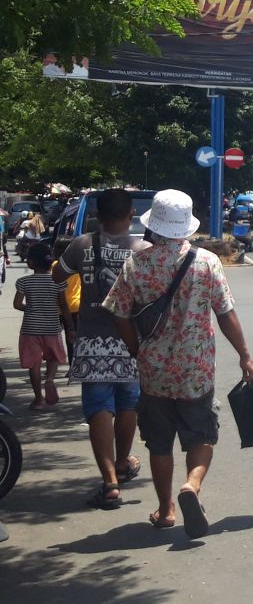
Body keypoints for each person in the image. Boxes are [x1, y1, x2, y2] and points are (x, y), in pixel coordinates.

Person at [104, 189, 253, 538]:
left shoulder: (137, 264)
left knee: (159, 442)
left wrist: (136, 348)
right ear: (186, 226)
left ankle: (166, 509)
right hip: (196, 369)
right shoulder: (206, 262)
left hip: (153, 371)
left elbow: (119, 314)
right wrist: (245, 355)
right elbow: (225, 313)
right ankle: (192, 486)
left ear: (154, 224)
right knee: (202, 434)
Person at [55, 188, 151, 509]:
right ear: (131, 216)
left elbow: (58, 275)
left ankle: (110, 483)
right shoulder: (142, 249)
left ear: (97, 215)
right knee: (128, 405)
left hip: (92, 340)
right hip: (130, 341)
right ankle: (123, 462)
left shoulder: (81, 245)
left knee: (99, 408)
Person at [14, 242, 69, 410]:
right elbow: (64, 306)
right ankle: (50, 379)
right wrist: (71, 327)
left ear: (30, 263)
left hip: (31, 328)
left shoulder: (24, 282)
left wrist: (29, 308)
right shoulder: (57, 282)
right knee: (52, 357)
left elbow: (17, 304)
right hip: (52, 327)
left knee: (34, 364)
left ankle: (38, 399)